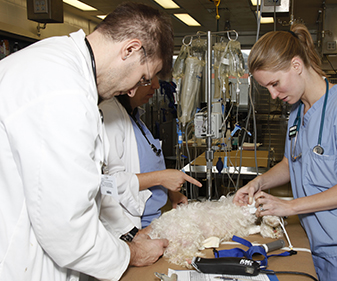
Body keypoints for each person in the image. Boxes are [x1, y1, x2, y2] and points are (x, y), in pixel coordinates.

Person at [0, 2, 174, 280]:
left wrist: (127, 235)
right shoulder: (63, 93)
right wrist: (133, 253)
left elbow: (90, 186)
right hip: (24, 264)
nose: (132, 90)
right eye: (142, 77)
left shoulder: (57, 62)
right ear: (130, 49)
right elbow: (66, 230)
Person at [233, 24, 337, 281]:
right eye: (267, 88)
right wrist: (258, 182)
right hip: (320, 251)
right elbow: (292, 163)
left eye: (275, 84)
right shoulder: (297, 113)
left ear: (296, 65)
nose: (274, 95)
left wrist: (289, 206)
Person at [99, 75, 202, 229]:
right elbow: (109, 183)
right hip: (132, 226)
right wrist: (161, 178)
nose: (155, 86)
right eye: (147, 79)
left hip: (154, 220)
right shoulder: (110, 114)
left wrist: (169, 192)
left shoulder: (133, 116)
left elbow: (146, 168)